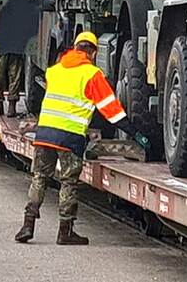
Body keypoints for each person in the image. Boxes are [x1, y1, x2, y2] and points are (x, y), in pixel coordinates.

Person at [15, 32, 149, 245]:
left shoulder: (54, 71)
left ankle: (27, 225)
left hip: (44, 134)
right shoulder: (92, 74)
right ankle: (65, 231)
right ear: (93, 52)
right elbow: (112, 111)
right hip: (69, 137)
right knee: (68, 182)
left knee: (39, 177)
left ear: (75, 48)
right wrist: (137, 135)